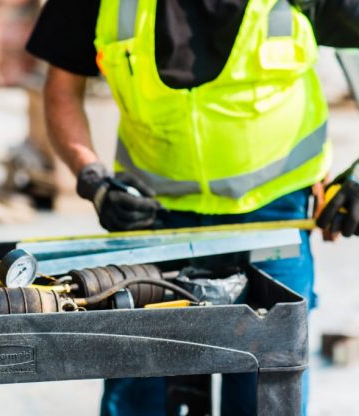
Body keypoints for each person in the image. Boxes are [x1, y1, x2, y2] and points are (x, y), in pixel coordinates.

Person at [26, 0, 359, 415]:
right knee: (138, 394)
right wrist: (92, 179)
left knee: (267, 394)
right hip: (151, 222)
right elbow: (61, 88)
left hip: (273, 219)